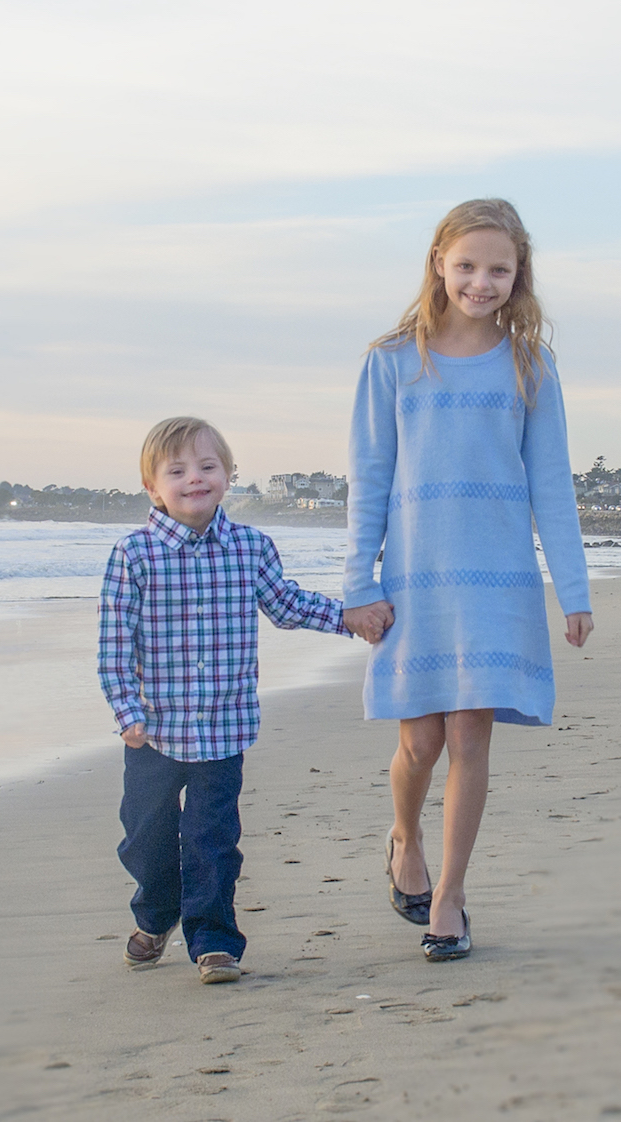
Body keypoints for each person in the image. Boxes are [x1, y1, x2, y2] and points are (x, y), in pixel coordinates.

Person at [341, 199, 594, 962]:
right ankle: (404, 838)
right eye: (467, 266)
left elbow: (552, 483)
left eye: (498, 269)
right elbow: (369, 479)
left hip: (498, 580)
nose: (480, 282)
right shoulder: (392, 362)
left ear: (519, 278)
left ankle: (448, 898)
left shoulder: (529, 364)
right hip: (417, 579)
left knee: (469, 734)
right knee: (419, 742)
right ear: (438, 265)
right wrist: (359, 585)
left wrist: (573, 590)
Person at [98, 416, 393, 984]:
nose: (195, 479)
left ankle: (213, 941)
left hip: (223, 731)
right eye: (177, 471)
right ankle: (156, 914)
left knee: (213, 842)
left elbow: (285, 605)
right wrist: (127, 712)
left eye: (208, 467)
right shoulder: (133, 556)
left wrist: (349, 619)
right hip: (154, 733)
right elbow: (114, 643)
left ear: (229, 475)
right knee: (146, 837)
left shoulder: (249, 547)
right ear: (152, 486)